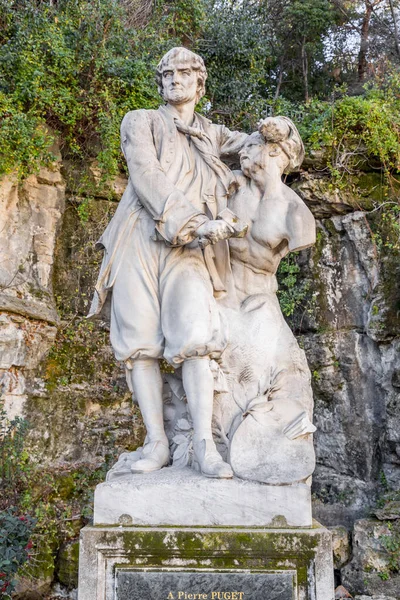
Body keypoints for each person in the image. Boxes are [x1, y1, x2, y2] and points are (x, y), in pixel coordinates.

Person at [89, 47, 249, 478]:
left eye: (185, 73)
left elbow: (258, 149)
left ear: (201, 83)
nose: (175, 80)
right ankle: (157, 443)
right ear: (160, 83)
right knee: (139, 342)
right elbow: (146, 174)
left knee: (196, 336)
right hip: (141, 236)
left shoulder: (212, 134)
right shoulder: (141, 121)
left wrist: (277, 134)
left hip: (191, 249)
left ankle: (204, 445)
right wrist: (196, 222)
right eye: (167, 74)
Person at [213, 116, 317, 484]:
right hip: (220, 298)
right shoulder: (228, 187)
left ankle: (267, 455)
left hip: (260, 301)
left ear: (275, 153)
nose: (244, 151)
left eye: (253, 146)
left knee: (282, 378)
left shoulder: (295, 214)